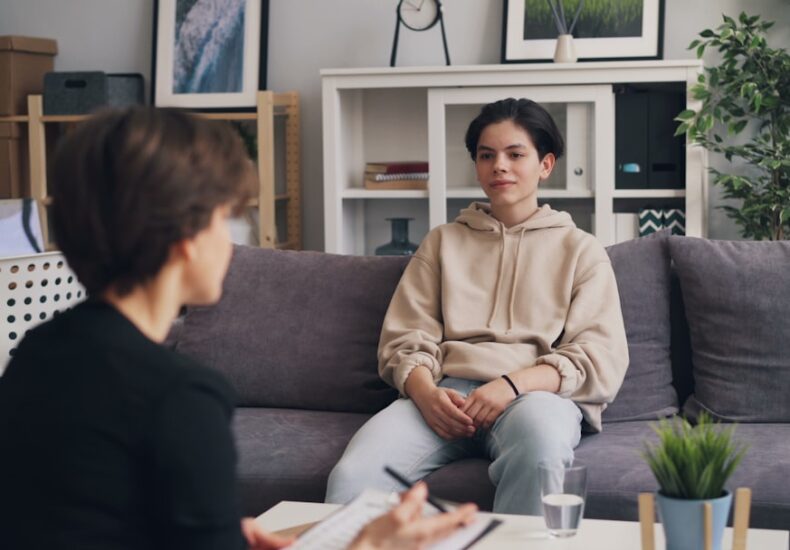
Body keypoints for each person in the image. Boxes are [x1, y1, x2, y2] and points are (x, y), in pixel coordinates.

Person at [0, 107, 475, 549]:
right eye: (224, 220)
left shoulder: (35, 354)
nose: (231, 243)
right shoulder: (178, 396)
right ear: (184, 240)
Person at [326, 97, 629, 514]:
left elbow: (598, 356)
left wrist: (511, 385)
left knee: (541, 453)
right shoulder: (443, 242)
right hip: (443, 395)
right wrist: (425, 392)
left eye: (515, 154)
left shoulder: (581, 250)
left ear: (546, 164)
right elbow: (406, 337)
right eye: (487, 155)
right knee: (353, 477)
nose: (499, 166)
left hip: (532, 399)